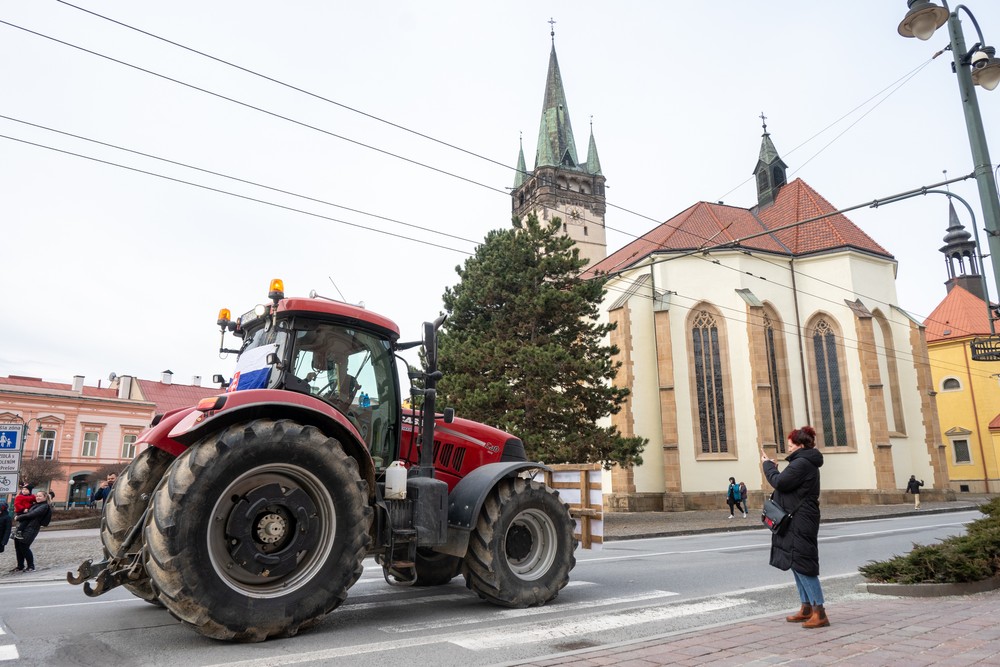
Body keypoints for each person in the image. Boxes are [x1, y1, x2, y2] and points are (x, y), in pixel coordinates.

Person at [761, 425, 829, 629]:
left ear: (800, 445)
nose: (788, 449)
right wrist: (774, 469)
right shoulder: (802, 462)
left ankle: (820, 612)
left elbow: (780, 483)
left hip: (800, 519)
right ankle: (806, 607)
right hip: (796, 517)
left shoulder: (802, 463)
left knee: (803, 563)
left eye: (790, 445)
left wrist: (767, 466)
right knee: (795, 561)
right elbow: (788, 484)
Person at [11, 490, 51, 573]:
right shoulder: (35, 505)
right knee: (18, 547)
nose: (37, 497)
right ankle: (20, 566)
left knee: (24, 546)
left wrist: (19, 517)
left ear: (45, 497)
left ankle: (31, 566)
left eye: (40, 496)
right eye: (37, 496)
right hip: (24, 527)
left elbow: (32, 514)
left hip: (32, 528)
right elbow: (25, 511)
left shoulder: (44, 506)